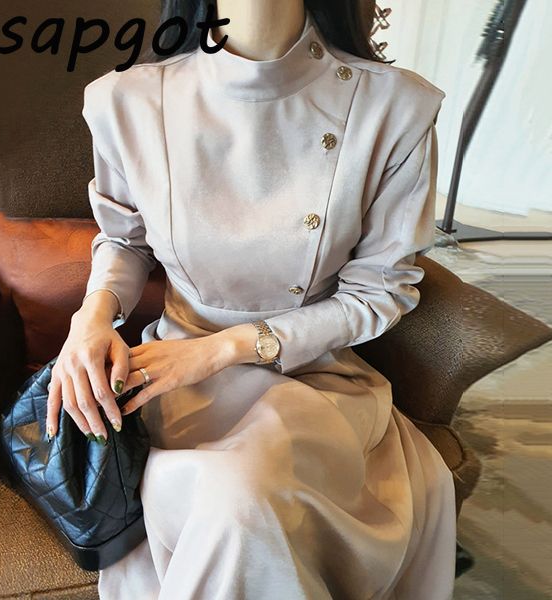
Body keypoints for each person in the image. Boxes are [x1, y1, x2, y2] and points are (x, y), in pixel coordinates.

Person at [46, 1, 457, 598]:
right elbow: (125, 241)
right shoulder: (125, 100)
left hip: (312, 377)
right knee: (231, 500)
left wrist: (224, 349)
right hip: (171, 381)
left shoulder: (395, 107)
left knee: (242, 499)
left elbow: (378, 293)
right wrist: (90, 319)